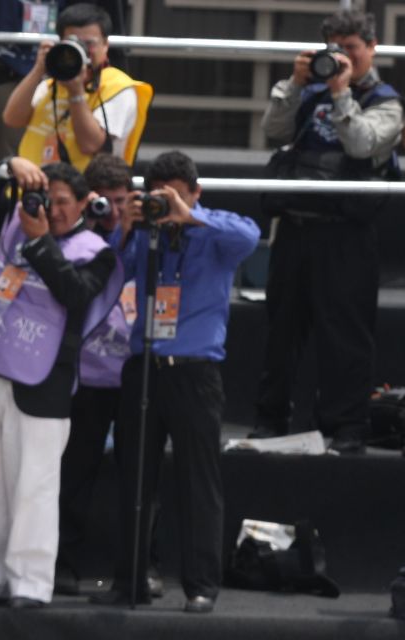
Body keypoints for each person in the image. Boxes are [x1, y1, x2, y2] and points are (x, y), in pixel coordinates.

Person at [94, 151, 258, 614]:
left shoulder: (214, 227)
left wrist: (188, 217)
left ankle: (201, 584)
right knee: (134, 478)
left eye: (176, 196)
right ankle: (130, 580)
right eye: (159, 196)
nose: (165, 205)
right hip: (143, 364)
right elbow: (114, 269)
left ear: (195, 192)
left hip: (194, 370)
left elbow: (249, 239)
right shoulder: (144, 230)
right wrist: (129, 225)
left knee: (197, 481)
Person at [0, 157, 117, 609]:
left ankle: (29, 583)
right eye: (48, 199)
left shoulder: (96, 250)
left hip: (44, 381)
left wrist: (41, 241)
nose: (54, 209)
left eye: (64, 202)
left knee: (35, 486)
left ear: (86, 202)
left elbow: (77, 294)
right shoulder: (16, 218)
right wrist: (11, 165)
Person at [252, 8, 400, 454]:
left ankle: (347, 426)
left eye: (352, 50)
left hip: (347, 235)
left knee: (347, 337)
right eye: (336, 50)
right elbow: (272, 131)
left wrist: (341, 93)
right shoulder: (308, 88)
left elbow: (362, 143)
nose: (343, 60)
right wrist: (296, 85)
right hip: (295, 228)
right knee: (282, 332)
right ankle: (270, 419)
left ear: (372, 49)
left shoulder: (387, 102)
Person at [55, 151, 133, 596]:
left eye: (122, 201)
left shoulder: (146, 234)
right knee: (74, 477)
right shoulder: (76, 242)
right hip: (85, 378)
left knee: (140, 479)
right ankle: (64, 564)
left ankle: (143, 566)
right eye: (103, 202)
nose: (114, 212)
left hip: (135, 375)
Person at [2, 2, 151, 171]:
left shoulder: (119, 88)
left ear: (105, 45)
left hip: (84, 193)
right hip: (34, 191)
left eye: (90, 44)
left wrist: (76, 92)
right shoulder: (51, 85)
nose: (83, 51)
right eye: (74, 43)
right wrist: (38, 69)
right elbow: (12, 119)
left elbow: (90, 144)